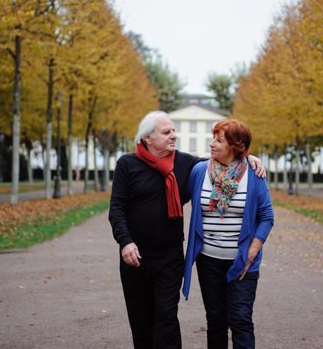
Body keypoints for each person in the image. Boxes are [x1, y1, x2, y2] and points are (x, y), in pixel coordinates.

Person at [108, 111, 265, 349]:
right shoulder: (127, 164)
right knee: (140, 321)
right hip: (135, 257)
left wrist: (249, 157)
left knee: (166, 317)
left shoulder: (185, 164)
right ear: (148, 138)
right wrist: (125, 241)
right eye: (167, 132)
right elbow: (117, 208)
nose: (174, 136)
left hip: (169, 258)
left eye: (173, 130)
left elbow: (223, 161)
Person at [182, 119, 274, 349]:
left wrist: (250, 255)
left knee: (241, 320)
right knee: (215, 321)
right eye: (213, 138)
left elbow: (267, 218)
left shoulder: (254, 174)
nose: (211, 144)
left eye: (218, 140)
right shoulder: (200, 171)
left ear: (236, 146)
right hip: (208, 261)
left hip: (243, 262)